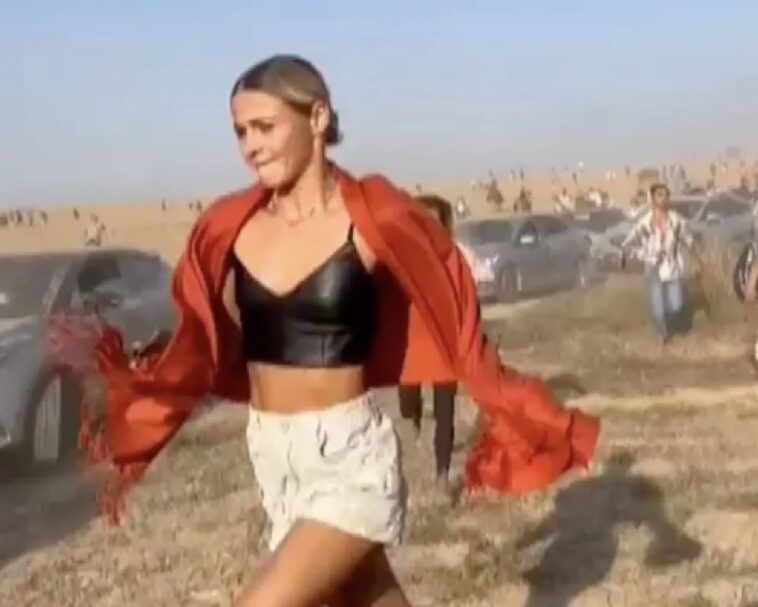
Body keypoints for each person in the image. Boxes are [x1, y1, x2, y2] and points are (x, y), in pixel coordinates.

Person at [54, 55, 599, 607]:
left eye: (265, 127)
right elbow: (205, 332)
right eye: (240, 132)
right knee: (362, 594)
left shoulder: (372, 216)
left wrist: (513, 402)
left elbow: (448, 298)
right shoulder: (231, 226)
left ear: (317, 118)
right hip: (273, 454)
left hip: (347, 457)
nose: (250, 146)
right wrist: (149, 375)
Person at [396, 194, 457, 492]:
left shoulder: (453, 258)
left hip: (444, 343)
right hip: (410, 342)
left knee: (445, 413)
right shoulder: (402, 256)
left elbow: (466, 299)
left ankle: (442, 475)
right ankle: (415, 419)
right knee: (407, 402)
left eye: (435, 221)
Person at [621, 183, 697, 344]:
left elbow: (689, 241)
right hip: (652, 266)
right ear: (653, 199)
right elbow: (629, 241)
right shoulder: (645, 222)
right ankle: (663, 334)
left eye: (666, 195)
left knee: (676, 304)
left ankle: (673, 325)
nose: (664, 198)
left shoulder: (676, 220)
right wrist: (636, 254)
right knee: (657, 305)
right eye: (660, 195)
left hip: (672, 266)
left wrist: (698, 258)